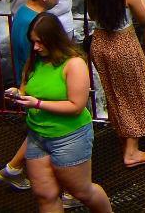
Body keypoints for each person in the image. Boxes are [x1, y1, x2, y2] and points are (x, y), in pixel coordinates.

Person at [9, 13, 111, 212]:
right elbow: (25, 89)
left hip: (69, 138)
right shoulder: (34, 62)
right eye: (33, 42)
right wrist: (17, 94)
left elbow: (76, 106)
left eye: (40, 42)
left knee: (82, 192)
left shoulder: (74, 64)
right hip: (37, 136)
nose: (36, 47)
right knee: (44, 195)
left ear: (53, 39)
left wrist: (38, 104)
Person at [84, 0, 145, 167]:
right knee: (136, 92)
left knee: (115, 92)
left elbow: (93, 13)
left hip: (100, 43)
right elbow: (144, 18)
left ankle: (124, 139)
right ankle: (132, 152)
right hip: (123, 45)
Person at [0, 0, 62, 192]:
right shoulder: (40, 23)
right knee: (54, 132)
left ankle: (12, 169)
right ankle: (67, 186)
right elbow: (45, 58)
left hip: (28, 82)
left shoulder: (22, 13)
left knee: (38, 132)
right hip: (38, 85)